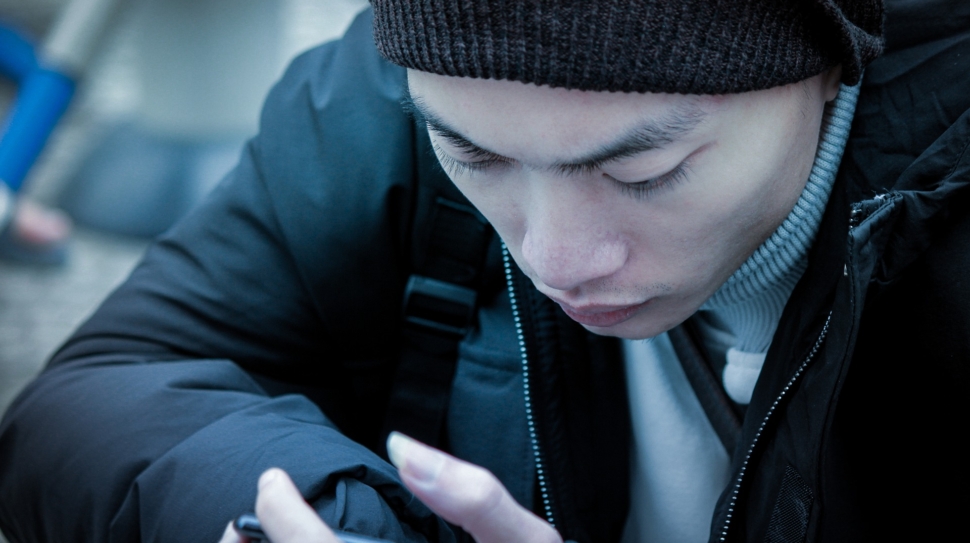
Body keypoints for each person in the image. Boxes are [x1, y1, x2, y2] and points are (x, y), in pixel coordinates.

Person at [1, 0, 969, 542]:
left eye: (645, 171)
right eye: (475, 160)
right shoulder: (385, 98)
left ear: (830, 65)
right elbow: (95, 391)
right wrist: (333, 518)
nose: (554, 260)